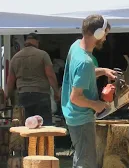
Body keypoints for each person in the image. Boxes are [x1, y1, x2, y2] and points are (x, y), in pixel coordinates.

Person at [61, 14, 116, 168]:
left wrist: (103, 71)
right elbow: (75, 97)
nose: (105, 38)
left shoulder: (76, 46)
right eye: (105, 34)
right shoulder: (84, 62)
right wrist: (97, 105)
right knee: (86, 163)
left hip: (74, 115)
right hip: (81, 118)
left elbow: (83, 73)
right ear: (98, 33)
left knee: (80, 158)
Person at [6, 33, 60, 125]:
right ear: (37, 42)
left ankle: (29, 140)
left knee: (27, 126)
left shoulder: (15, 57)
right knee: (44, 126)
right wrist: (56, 92)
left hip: (23, 95)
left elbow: (10, 80)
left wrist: (7, 97)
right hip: (41, 94)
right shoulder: (43, 55)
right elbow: (50, 75)